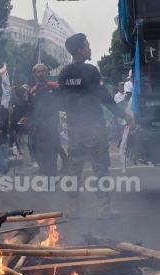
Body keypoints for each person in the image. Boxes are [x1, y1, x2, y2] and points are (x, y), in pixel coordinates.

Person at [59, 33, 133, 220]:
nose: (90, 49)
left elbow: (62, 101)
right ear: (79, 50)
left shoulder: (64, 73)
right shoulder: (91, 71)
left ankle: (73, 211)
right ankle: (103, 210)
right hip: (93, 127)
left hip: (74, 129)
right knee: (101, 168)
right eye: (87, 46)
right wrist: (124, 114)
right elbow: (104, 97)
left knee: (73, 170)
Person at [26, 64, 66, 176]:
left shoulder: (54, 86)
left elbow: (62, 103)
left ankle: (53, 176)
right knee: (35, 149)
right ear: (34, 74)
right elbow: (31, 108)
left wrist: (59, 124)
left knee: (52, 150)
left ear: (46, 73)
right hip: (38, 126)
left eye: (42, 71)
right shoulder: (33, 90)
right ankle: (43, 168)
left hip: (52, 124)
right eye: (37, 72)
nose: (40, 74)